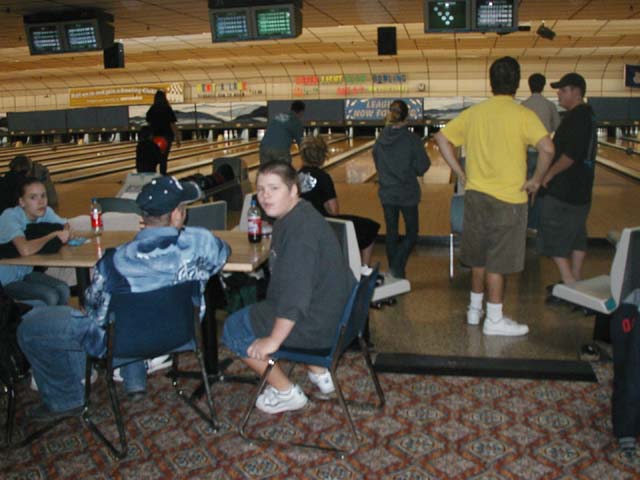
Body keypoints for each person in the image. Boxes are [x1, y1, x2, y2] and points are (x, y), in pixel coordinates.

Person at [17, 176, 230, 421]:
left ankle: (66, 399)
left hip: (122, 343)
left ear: (144, 217)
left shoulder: (114, 262)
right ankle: (134, 378)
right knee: (132, 313)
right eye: (183, 209)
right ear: (176, 215)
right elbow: (223, 252)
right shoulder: (201, 244)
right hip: (182, 334)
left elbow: (95, 312)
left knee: (31, 325)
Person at [222, 161, 356, 414]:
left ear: (294, 190)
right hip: (332, 315)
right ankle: (319, 372)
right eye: (261, 189)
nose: (265, 196)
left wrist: (273, 340)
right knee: (261, 307)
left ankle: (286, 393)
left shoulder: (300, 234)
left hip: (315, 325)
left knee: (233, 328)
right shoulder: (300, 215)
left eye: (274, 188)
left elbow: (295, 298)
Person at [434, 56, 555, 336]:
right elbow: (548, 149)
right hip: (509, 201)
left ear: (491, 82)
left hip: (476, 196)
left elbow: (441, 139)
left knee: (478, 257)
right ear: (517, 82)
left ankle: (474, 310)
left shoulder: (474, 113)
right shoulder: (523, 115)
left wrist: (460, 173)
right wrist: (536, 180)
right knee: (498, 262)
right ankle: (495, 320)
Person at [538, 73, 597, 288]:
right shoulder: (588, 114)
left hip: (564, 189)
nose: (559, 94)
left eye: (563, 90)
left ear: (576, 92)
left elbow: (570, 155)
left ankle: (568, 281)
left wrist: (548, 175)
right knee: (577, 232)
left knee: (550, 231)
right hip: (582, 188)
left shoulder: (576, 118)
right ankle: (576, 279)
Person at [298, 135, 380, 272]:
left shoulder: (294, 176)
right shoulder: (323, 177)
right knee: (370, 227)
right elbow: (334, 211)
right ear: (323, 156)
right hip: (323, 226)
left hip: (300, 225)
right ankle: (364, 270)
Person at [372, 99, 431, 279]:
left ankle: (395, 274)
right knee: (412, 234)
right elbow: (422, 166)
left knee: (391, 233)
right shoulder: (412, 140)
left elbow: (377, 162)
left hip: (387, 193)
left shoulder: (380, 139)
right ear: (407, 116)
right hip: (407, 193)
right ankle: (396, 269)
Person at [0, 178, 71, 306]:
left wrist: (65, 232)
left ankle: (60, 318)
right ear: (22, 202)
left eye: (43, 196)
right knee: (50, 296)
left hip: (25, 274)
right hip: (5, 281)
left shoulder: (44, 212)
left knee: (63, 289)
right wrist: (52, 235)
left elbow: (65, 225)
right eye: (33, 197)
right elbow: (25, 250)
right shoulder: (10, 217)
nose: (41, 201)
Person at [521, 73, 561, 230]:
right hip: (544, 154)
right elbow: (558, 128)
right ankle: (535, 224)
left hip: (525, 155)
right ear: (543, 86)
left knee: (524, 188)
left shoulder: (523, 105)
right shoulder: (550, 105)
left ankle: (523, 221)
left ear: (529, 86)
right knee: (539, 188)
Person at [145, 90, 180, 175]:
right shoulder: (167, 109)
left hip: (155, 137)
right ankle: (163, 174)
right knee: (164, 158)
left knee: (154, 157)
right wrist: (177, 138)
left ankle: (153, 174)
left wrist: (147, 138)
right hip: (166, 137)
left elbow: (148, 124)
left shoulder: (152, 109)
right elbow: (172, 125)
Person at [259, 100, 305, 165]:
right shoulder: (296, 122)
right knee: (284, 170)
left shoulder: (278, 116)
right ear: (301, 112)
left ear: (291, 109)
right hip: (280, 151)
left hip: (264, 148)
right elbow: (301, 143)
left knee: (266, 170)